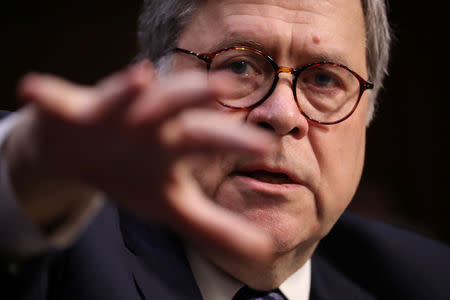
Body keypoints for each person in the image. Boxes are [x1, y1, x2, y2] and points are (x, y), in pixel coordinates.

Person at [1, 0, 449, 299]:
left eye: (325, 79)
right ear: (152, 84)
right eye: (239, 65)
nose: (283, 113)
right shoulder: (64, 250)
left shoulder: (426, 280)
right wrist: (26, 173)